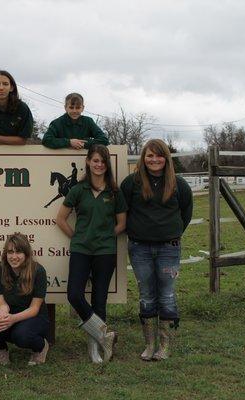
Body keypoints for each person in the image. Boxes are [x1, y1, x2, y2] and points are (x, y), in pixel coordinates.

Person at [121, 139, 193, 361]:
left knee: (167, 295)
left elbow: (186, 213)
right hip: (139, 248)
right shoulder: (131, 183)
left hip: (168, 248)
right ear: (143, 158)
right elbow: (123, 211)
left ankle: (164, 345)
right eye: (149, 155)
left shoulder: (179, 184)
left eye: (159, 155)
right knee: (146, 295)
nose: (154, 160)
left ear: (166, 158)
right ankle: (149, 344)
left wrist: (172, 231)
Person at [56, 144, 127, 363]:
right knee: (74, 295)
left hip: (105, 252)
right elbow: (60, 219)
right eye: (95, 160)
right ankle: (104, 335)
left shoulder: (114, 192)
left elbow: (122, 223)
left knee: (99, 300)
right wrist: (79, 237)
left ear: (107, 165)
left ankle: (95, 347)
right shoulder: (78, 190)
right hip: (81, 250)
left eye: (103, 161)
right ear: (88, 162)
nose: (99, 165)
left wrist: (104, 236)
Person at [0, 233, 50, 366]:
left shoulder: (38, 271)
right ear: (5, 254)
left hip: (35, 317)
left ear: (26, 254)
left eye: (18, 252)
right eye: (10, 252)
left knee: (21, 336)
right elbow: (1, 300)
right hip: (11, 313)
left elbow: (34, 308)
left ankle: (41, 346)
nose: (14, 257)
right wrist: (3, 311)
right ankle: (1, 349)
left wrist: (12, 319)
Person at [42, 93, 109, 150]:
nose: (74, 111)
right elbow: (46, 140)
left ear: (82, 108)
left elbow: (104, 140)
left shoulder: (88, 121)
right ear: (65, 108)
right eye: (71, 107)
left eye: (77, 108)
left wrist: (84, 144)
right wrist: (69, 142)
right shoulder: (57, 123)